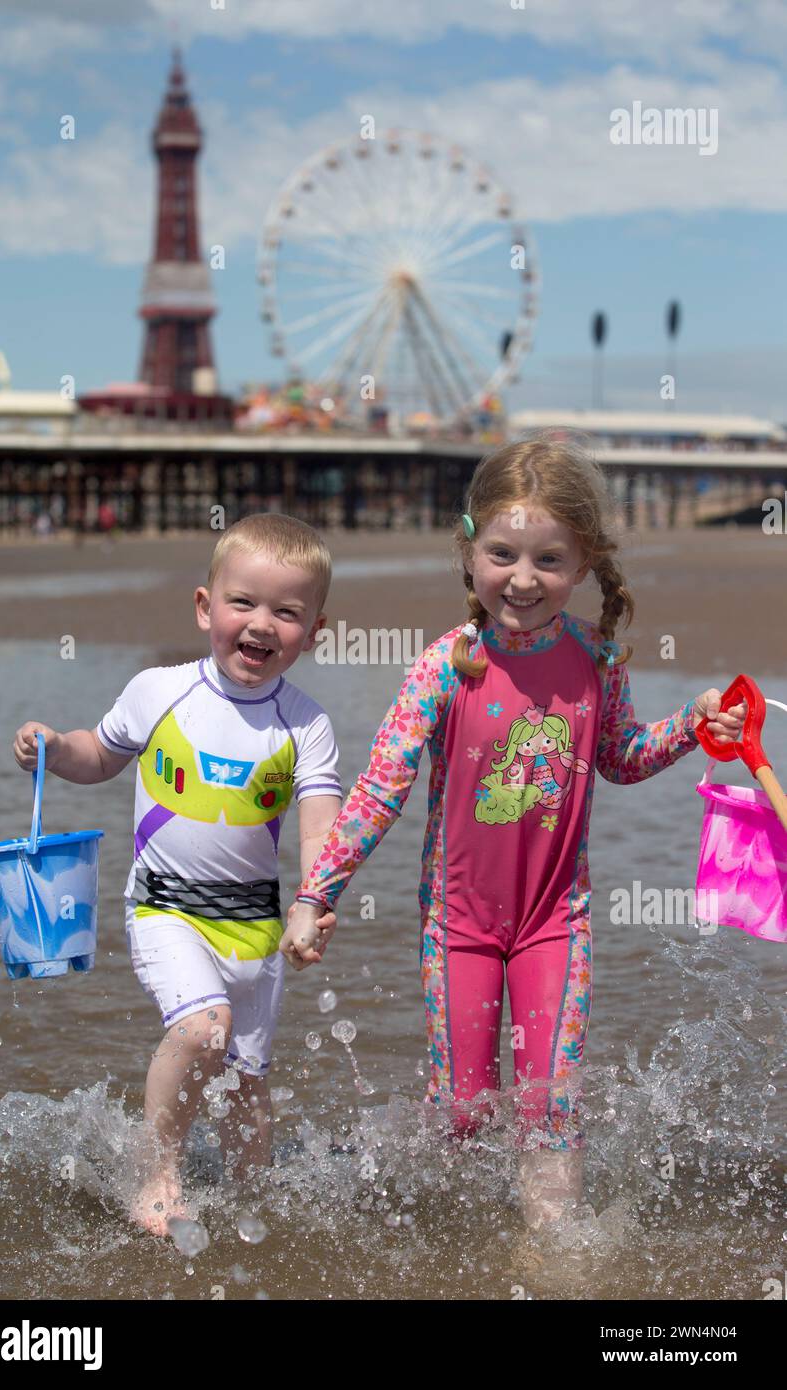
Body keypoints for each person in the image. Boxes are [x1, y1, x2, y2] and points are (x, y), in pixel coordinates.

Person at [280, 434, 745, 1230]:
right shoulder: (442, 667)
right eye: (503, 553)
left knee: (549, 1104)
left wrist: (692, 727)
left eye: (549, 560)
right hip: (456, 926)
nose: (523, 579)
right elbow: (377, 793)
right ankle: (459, 1247)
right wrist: (316, 892)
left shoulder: (596, 658)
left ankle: (549, 1249)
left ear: (584, 563)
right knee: (461, 1112)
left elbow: (621, 759)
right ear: (469, 554)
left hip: (554, 924)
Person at [13, 514, 341, 1236]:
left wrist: (313, 903)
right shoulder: (158, 691)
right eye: (243, 603)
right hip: (165, 909)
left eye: (286, 612)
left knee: (246, 1086)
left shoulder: (306, 724)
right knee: (203, 1027)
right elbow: (96, 754)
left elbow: (320, 824)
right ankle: (157, 1169)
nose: (261, 625)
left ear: (314, 631)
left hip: (257, 925)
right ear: (205, 608)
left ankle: (256, 1201)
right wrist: (50, 748)